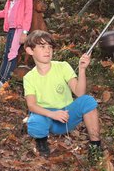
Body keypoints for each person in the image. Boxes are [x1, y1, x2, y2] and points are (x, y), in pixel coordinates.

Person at [23, 30, 101, 159]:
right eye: (42, 47)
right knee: (35, 121)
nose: (47, 50)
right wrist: (52, 114)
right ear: (30, 50)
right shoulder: (29, 77)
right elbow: (31, 105)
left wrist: (82, 69)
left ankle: (95, 146)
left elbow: (79, 92)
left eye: (50, 47)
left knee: (87, 101)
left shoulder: (63, 66)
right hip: (47, 117)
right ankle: (41, 141)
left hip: (67, 115)